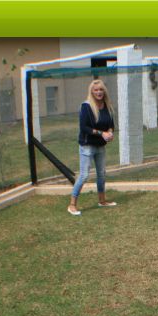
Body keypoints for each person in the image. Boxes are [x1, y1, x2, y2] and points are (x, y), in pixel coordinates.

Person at [68, 79, 117, 216]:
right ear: (91, 92)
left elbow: (111, 125)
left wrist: (110, 133)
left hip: (100, 146)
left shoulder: (107, 106)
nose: (99, 92)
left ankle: (102, 201)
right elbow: (84, 127)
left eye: (101, 89)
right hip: (87, 146)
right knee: (84, 175)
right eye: (96, 90)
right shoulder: (86, 106)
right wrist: (102, 133)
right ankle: (72, 205)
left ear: (104, 91)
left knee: (101, 174)